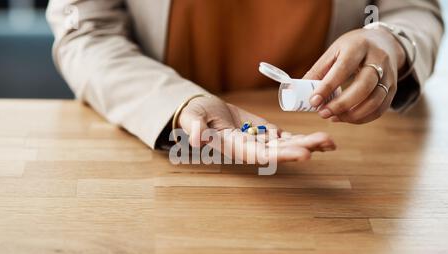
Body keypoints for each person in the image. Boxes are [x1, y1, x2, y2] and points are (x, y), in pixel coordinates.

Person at [46, 0, 444, 163]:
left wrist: (390, 42)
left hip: (343, 152)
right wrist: (179, 104)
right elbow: (87, 32)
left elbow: (412, 11)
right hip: (166, 148)